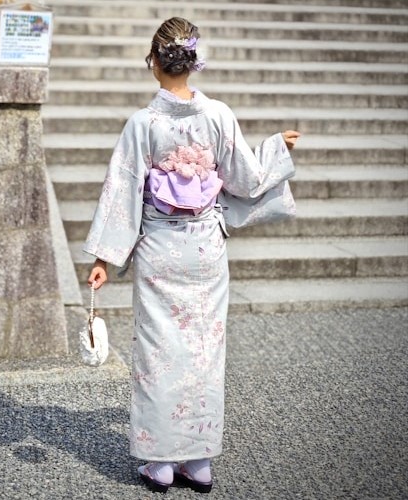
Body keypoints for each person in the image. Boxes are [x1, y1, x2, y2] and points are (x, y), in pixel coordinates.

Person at [84, 17, 300, 494]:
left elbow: (122, 192)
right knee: (204, 351)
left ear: (155, 62)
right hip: (205, 249)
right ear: (192, 61)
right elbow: (245, 180)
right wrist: (274, 148)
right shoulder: (218, 114)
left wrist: (104, 258)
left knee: (159, 353)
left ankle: (159, 464)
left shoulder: (144, 123)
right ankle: (198, 461)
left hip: (160, 247)